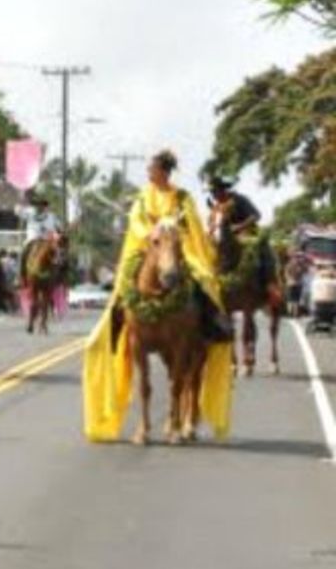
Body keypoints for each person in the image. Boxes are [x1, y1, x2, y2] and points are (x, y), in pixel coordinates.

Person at [82, 149, 234, 441]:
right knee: (123, 288)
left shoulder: (182, 198)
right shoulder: (144, 195)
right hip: (147, 247)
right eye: (149, 170)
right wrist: (153, 231)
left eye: (152, 169)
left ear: (164, 172)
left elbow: (194, 228)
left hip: (177, 249)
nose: (149, 174)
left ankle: (212, 323)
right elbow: (136, 222)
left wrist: (173, 231)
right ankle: (114, 328)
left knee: (202, 280)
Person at [206, 176, 279, 297]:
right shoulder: (215, 207)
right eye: (212, 192)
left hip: (246, 232)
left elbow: (256, 215)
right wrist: (211, 231)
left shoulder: (239, 199)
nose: (213, 195)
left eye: (215, 191)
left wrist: (239, 227)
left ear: (222, 189)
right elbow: (212, 223)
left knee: (262, 247)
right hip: (222, 238)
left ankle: (270, 283)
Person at [15, 192, 62, 287]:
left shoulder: (51, 216)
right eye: (37, 205)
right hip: (32, 239)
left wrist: (57, 234)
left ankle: (59, 278)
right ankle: (20, 277)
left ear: (45, 206)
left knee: (59, 254)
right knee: (22, 253)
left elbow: (59, 227)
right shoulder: (29, 212)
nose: (40, 207)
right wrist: (21, 200)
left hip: (47, 241)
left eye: (42, 205)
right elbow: (17, 211)